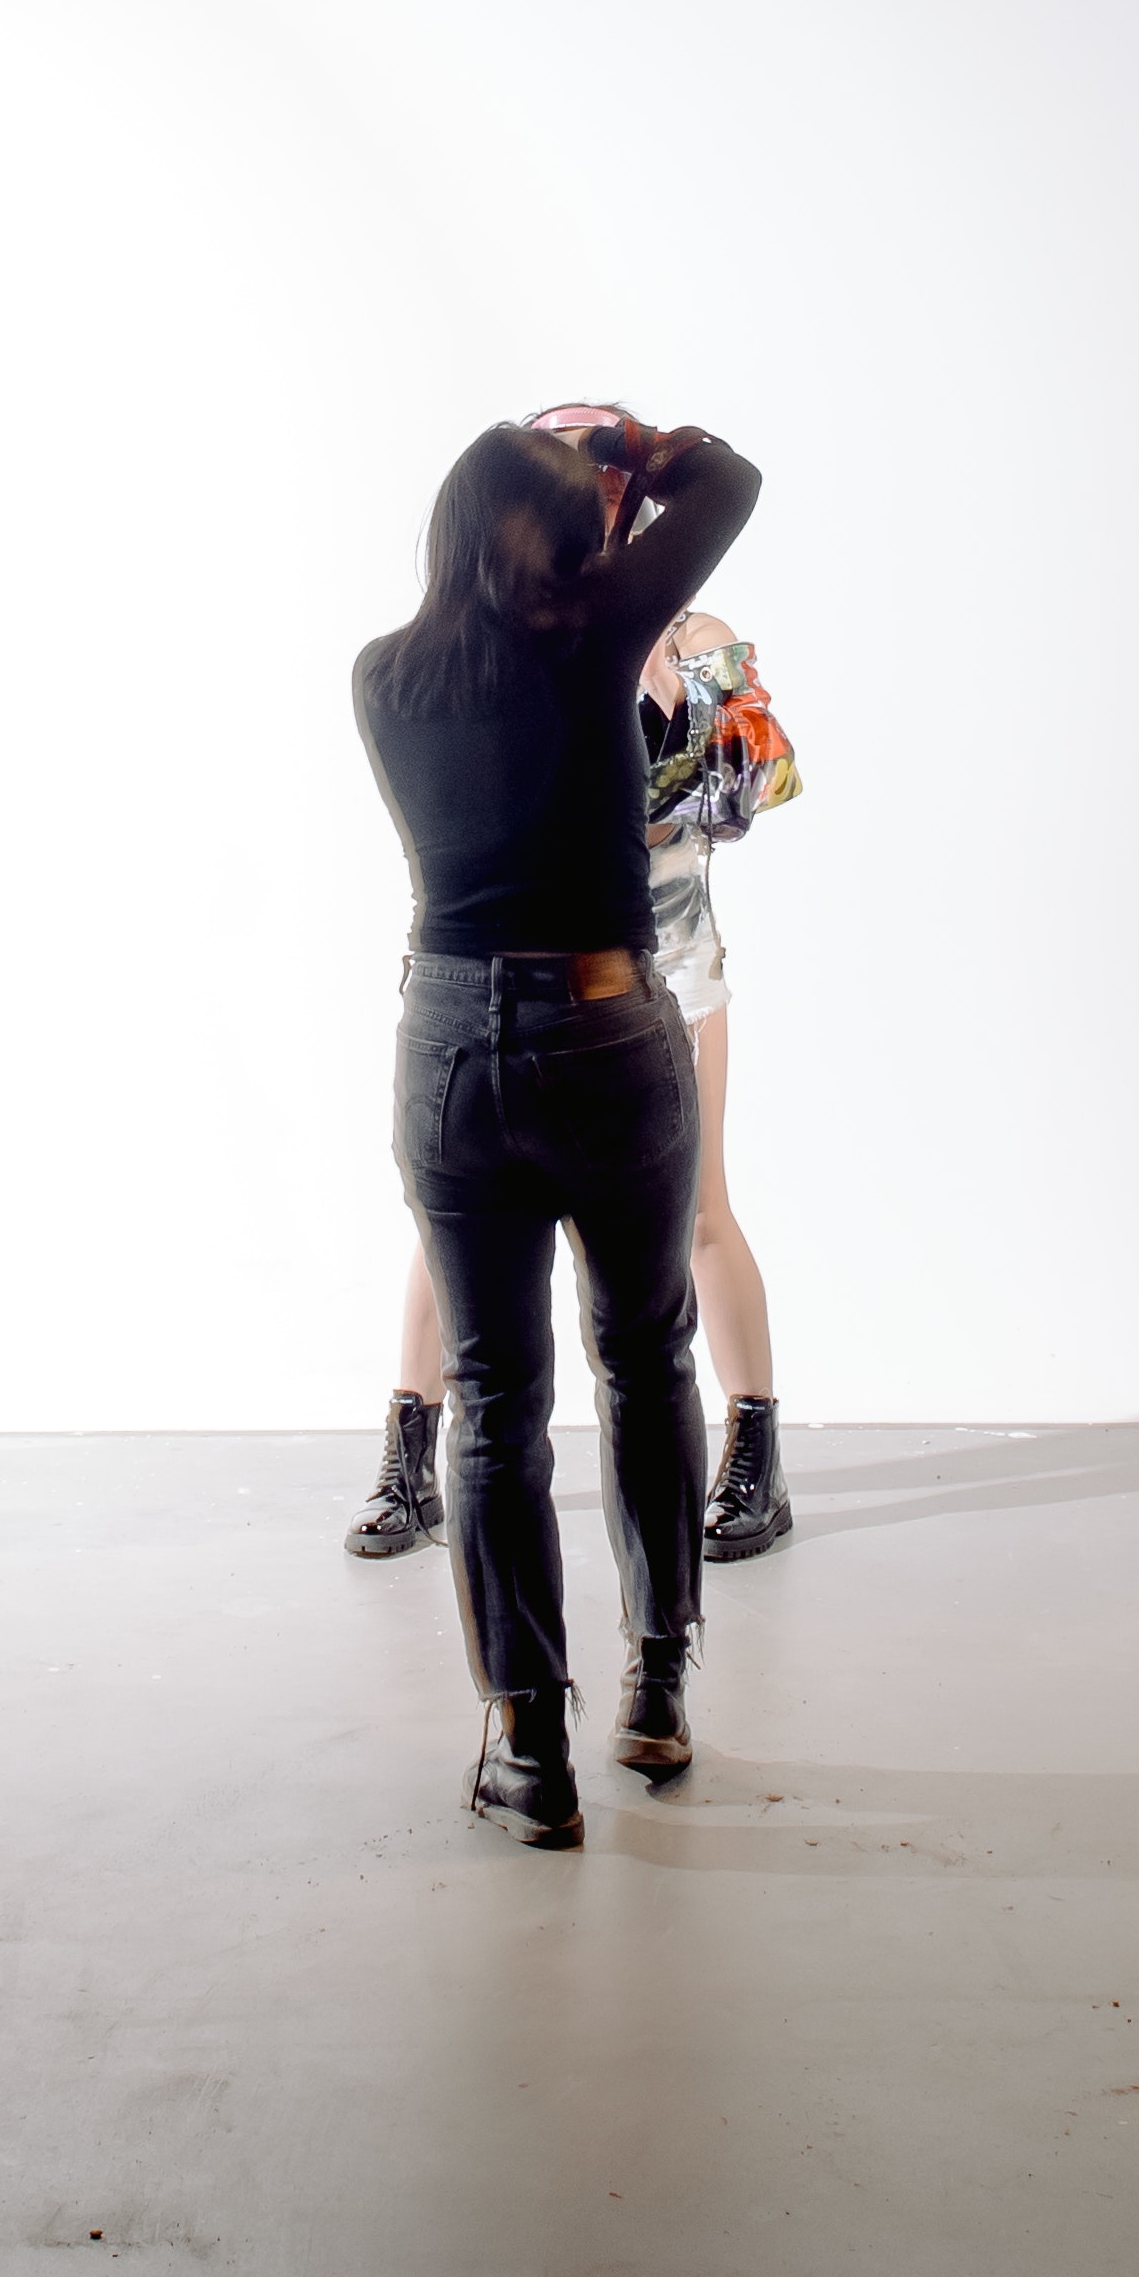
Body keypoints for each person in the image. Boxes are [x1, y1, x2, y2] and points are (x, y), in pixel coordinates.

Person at [352, 409, 761, 1847]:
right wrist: (635, 450)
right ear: (568, 534)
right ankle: (655, 1687)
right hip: (604, 1030)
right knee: (644, 1361)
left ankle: (528, 1747)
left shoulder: (383, 674)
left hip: (449, 1041)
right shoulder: (595, 635)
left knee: (492, 1400)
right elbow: (732, 482)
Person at [347, 522, 801, 1566]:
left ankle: (757, 1454)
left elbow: (754, 788)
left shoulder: (691, 637)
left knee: (698, 1213)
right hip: (522, 972)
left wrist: (665, 678)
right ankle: (409, 1458)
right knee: (453, 1224)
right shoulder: (506, 638)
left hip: (668, 966)